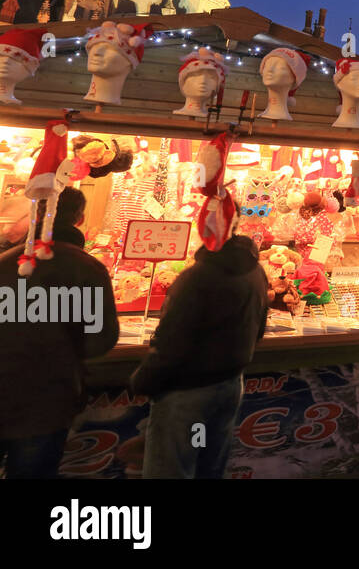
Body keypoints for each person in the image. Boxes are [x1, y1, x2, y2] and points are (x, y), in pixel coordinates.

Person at [0, 188, 119, 478]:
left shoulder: (5, 262)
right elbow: (101, 340)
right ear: (79, 219)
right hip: (47, 400)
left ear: (37, 214)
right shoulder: (88, 269)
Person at [131, 233, 268, 478]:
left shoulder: (198, 276)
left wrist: (143, 381)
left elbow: (172, 340)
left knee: (172, 470)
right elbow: (259, 329)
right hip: (228, 385)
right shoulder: (255, 270)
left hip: (187, 393)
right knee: (207, 465)